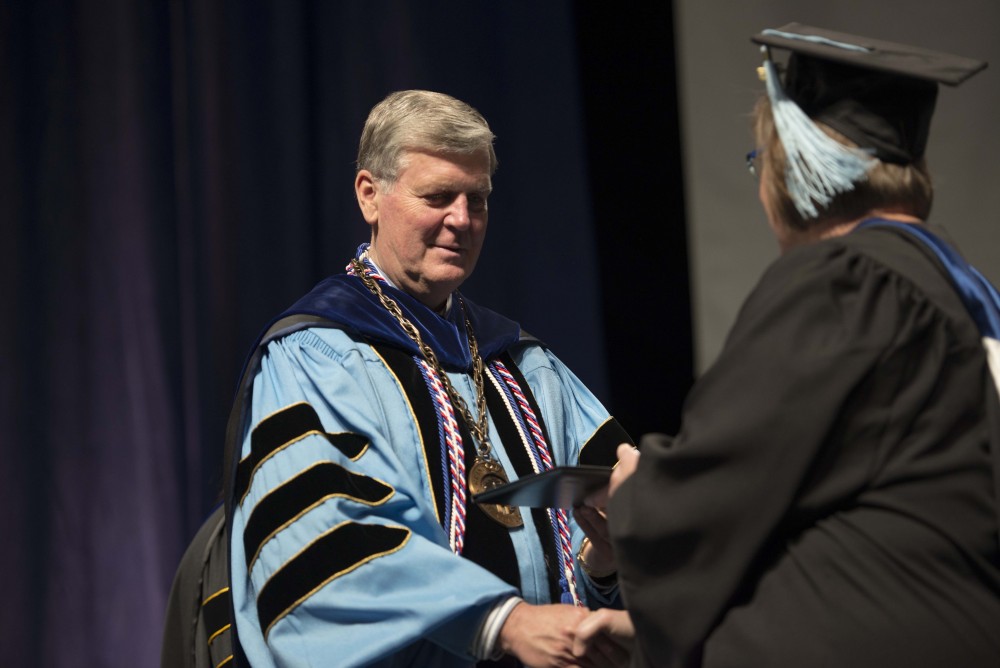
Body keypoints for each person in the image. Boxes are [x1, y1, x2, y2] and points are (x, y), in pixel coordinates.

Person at [574, 23, 1000, 667]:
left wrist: (638, 491)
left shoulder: (848, 279)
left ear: (799, 163)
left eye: (761, 163)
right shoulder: (963, 288)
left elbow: (723, 481)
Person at [225, 89, 631, 668]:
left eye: (478, 200)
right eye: (438, 196)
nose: (461, 221)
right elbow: (328, 552)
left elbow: (591, 564)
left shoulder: (524, 367)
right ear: (370, 195)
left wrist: (604, 561)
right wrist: (501, 622)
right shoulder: (315, 359)